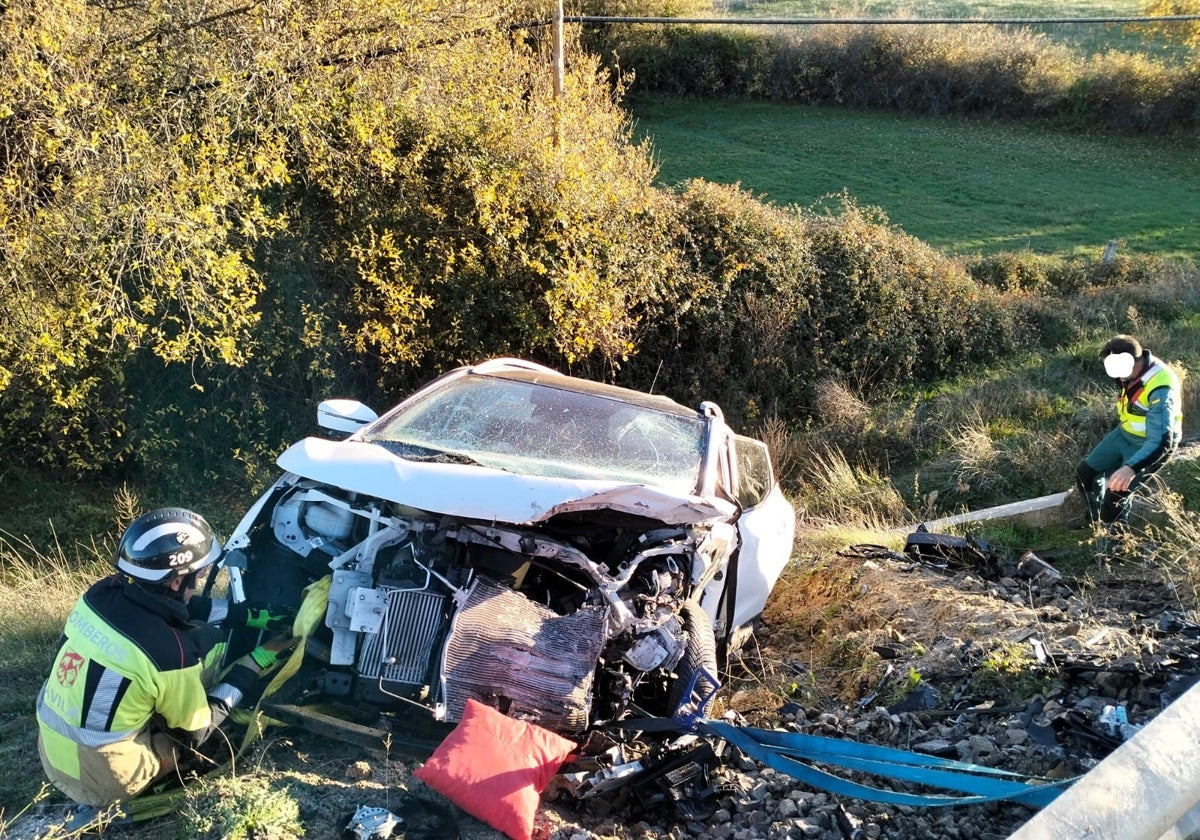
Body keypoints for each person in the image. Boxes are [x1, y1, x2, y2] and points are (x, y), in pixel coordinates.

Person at [35, 507, 295, 821]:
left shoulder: (100, 594)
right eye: (199, 575)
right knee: (183, 738)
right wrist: (256, 661)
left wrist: (249, 617)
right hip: (105, 776)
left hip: (51, 753)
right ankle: (144, 776)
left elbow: (178, 608)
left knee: (157, 675)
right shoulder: (171, 655)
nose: (201, 581)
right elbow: (197, 731)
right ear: (174, 582)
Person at [1075, 335, 1183, 529]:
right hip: (1125, 434)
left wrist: (1130, 468)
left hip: (1151, 444)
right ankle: (1097, 521)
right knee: (1085, 475)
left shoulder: (1160, 387)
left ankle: (1117, 551)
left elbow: (1161, 440)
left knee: (1115, 496)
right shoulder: (1129, 371)